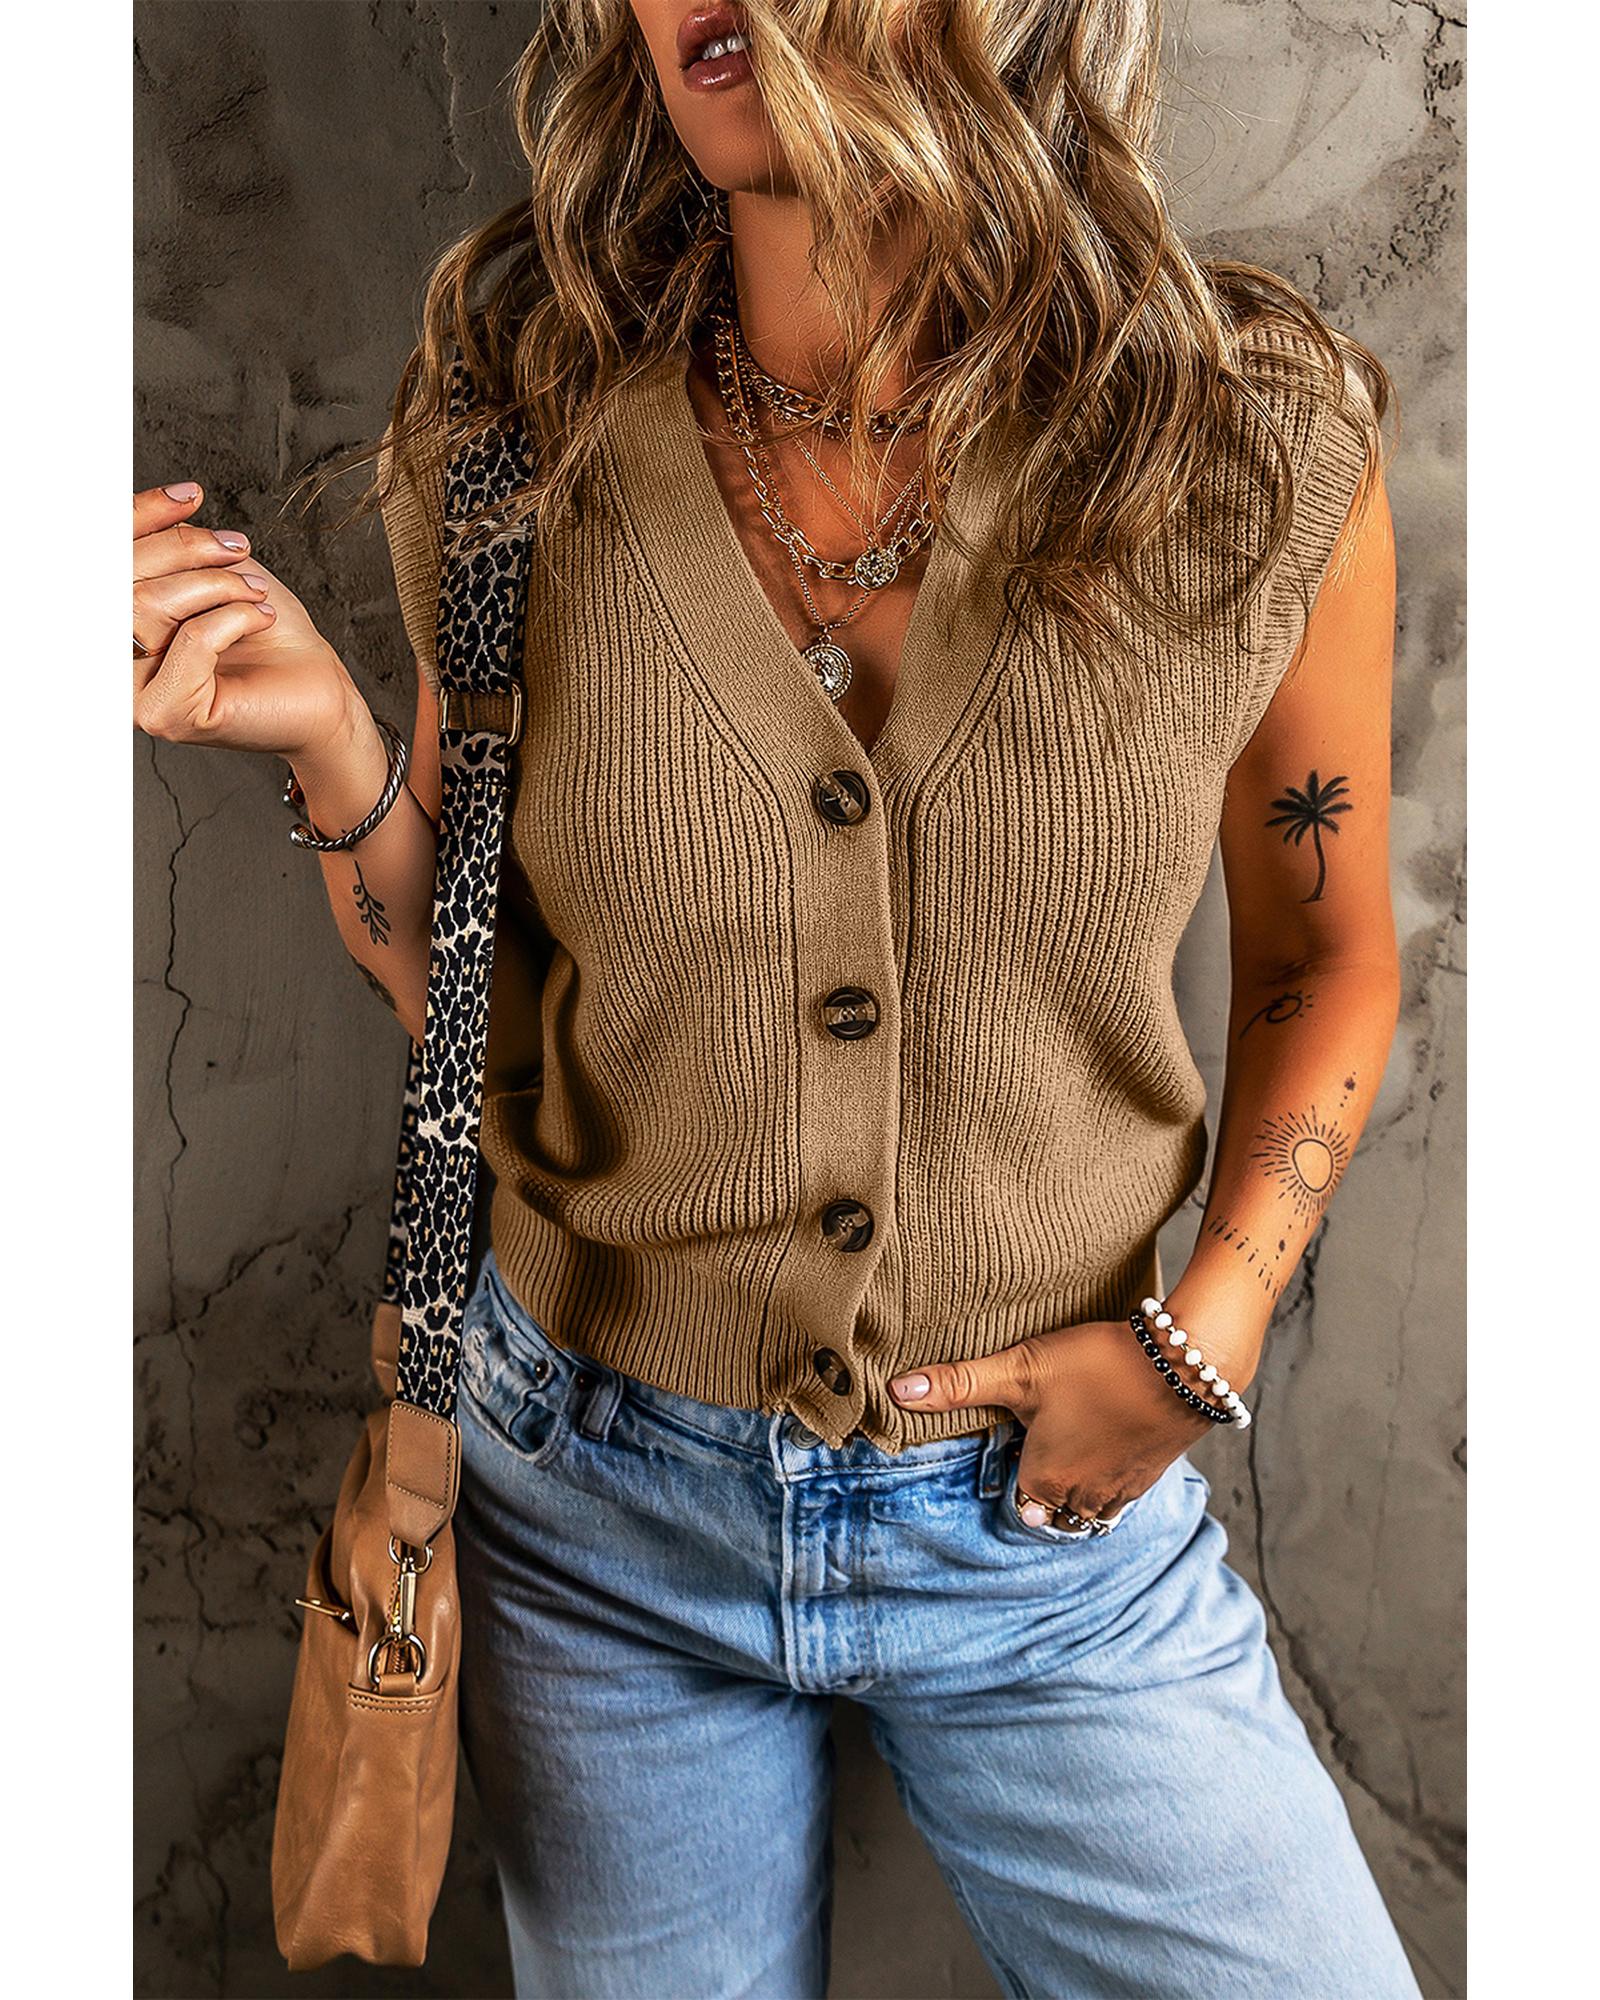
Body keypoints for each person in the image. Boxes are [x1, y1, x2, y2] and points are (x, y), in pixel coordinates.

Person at [133, 3, 1425, 1994]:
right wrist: (328, 741)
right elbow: (486, 1020)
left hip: (1043, 1546)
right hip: (586, 1525)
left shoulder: (1241, 443)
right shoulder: (514, 422)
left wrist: (1208, 1335)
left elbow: (1326, 956)